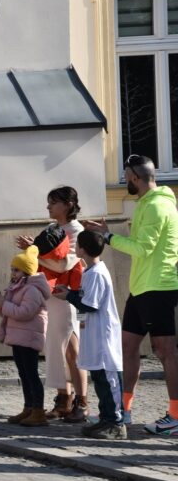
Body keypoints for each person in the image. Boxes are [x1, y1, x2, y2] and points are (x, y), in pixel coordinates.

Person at [84, 154, 178, 436]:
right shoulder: (146, 204)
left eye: (126, 176)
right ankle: (122, 410)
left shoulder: (157, 207)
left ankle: (175, 415)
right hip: (141, 289)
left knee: (166, 353)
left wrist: (108, 237)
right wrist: (108, 233)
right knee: (126, 347)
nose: (125, 180)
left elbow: (142, 249)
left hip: (159, 288)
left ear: (136, 177)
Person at [16, 187, 87, 422]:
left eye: (53, 203)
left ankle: (81, 402)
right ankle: (63, 398)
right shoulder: (52, 230)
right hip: (52, 297)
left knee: (71, 350)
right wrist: (32, 253)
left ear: (67, 205)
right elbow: (44, 261)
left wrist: (34, 252)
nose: (48, 207)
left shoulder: (76, 231)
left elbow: (64, 264)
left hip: (69, 298)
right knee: (55, 350)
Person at [52, 231, 126, 439]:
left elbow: (89, 305)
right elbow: (85, 298)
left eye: (77, 245)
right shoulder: (90, 271)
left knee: (108, 378)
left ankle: (116, 423)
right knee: (99, 378)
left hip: (103, 335)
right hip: (93, 334)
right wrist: (70, 292)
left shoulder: (96, 273)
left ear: (82, 249)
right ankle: (105, 418)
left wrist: (68, 296)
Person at [0, 246, 51, 427]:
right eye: (12, 269)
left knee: (31, 373)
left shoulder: (31, 290)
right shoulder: (16, 287)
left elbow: (24, 313)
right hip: (17, 336)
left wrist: (4, 304)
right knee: (23, 374)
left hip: (29, 337)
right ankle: (29, 407)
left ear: (26, 270)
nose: (13, 272)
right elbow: (10, 313)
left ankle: (38, 411)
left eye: (16, 269)